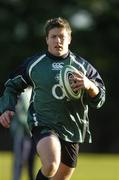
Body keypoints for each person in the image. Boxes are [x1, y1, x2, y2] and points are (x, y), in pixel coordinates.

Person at [0, 17, 106, 180]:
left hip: (72, 128)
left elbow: (99, 99)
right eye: (54, 36)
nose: (58, 41)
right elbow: (11, 86)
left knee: (61, 175)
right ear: (47, 39)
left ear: (69, 39)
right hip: (42, 122)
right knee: (51, 164)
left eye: (62, 36)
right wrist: (7, 107)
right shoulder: (34, 64)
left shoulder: (83, 67)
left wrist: (89, 85)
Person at [10, 87, 35, 180]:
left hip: (31, 133)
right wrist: (29, 129)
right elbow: (20, 114)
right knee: (19, 160)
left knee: (31, 161)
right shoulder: (21, 94)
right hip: (22, 132)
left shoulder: (34, 92)